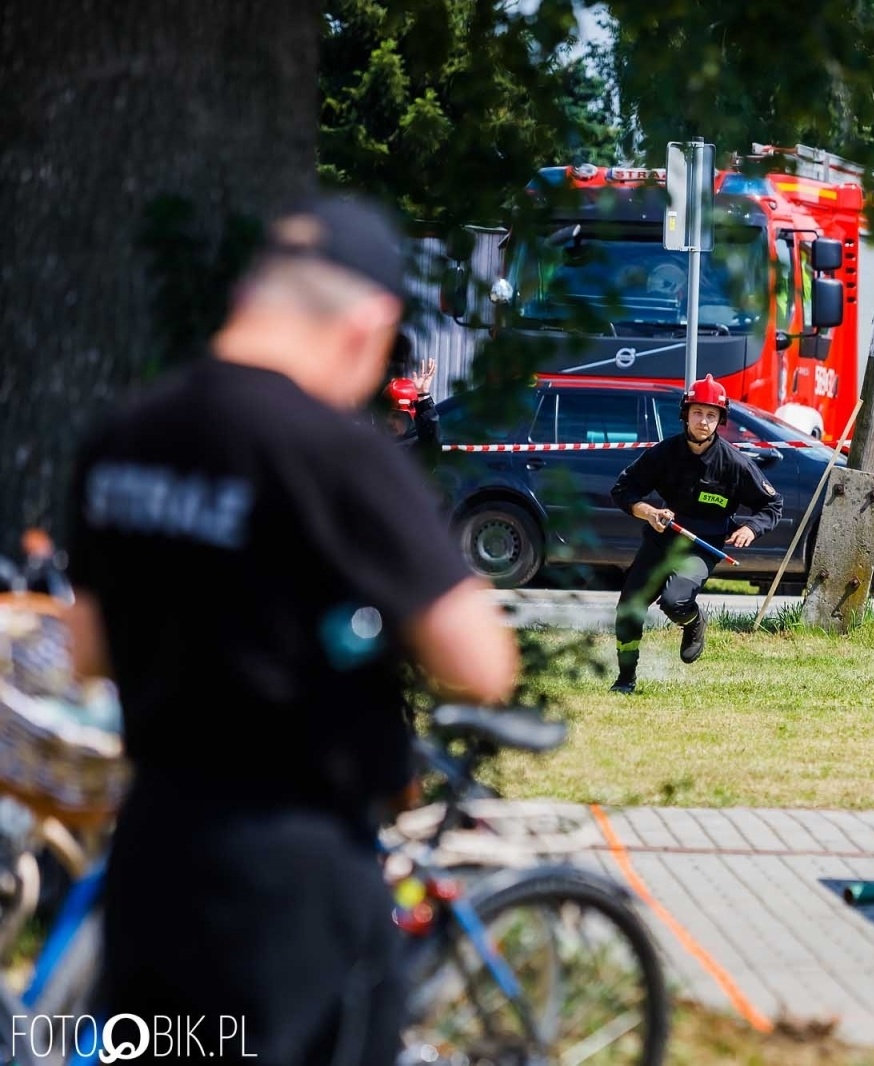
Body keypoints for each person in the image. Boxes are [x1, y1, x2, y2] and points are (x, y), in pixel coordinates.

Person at [61, 191, 519, 1066]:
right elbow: (480, 662)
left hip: (153, 847)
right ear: (367, 324)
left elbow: (87, 651)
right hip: (289, 876)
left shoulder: (124, 435)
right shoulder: (333, 452)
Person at [607, 374, 783, 694]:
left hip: (702, 547)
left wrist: (749, 528)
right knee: (629, 608)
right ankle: (625, 679)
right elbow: (623, 489)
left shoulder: (734, 463)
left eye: (712, 415)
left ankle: (693, 622)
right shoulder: (664, 453)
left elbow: (772, 505)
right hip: (662, 539)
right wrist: (650, 513)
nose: (704, 421)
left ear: (720, 421)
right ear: (685, 414)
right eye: (698, 412)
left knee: (675, 603)